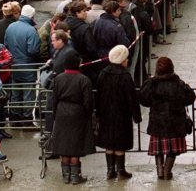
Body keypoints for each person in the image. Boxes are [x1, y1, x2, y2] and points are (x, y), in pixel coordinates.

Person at [138, 56, 195, 180]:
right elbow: (190, 98)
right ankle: (167, 171)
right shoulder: (179, 83)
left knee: (158, 149)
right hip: (175, 123)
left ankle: (160, 171)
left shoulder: (152, 83)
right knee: (172, 150)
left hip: (157, 122)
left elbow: (143, 100)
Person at [95, 45, 141, 180]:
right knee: (120, 143)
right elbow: (131, 98)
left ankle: (110, 170)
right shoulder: (125, 76)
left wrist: (97, 113)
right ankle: (121, 170)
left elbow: (97, 95)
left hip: (105, 114)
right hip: (122, 115)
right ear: (122, 59)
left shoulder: (103, 73)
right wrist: (136, 116)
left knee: (109, 143)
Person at [49, 50, 95, 185]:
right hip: (78, 113)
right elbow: (88, 102)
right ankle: (76, 177)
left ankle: (66, 176)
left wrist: (55, 113)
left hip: (62, 113)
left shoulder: (58, 78)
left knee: (64, 145)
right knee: (75, 146)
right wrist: (88, 114)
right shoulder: (84, 80)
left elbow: (54, 99)